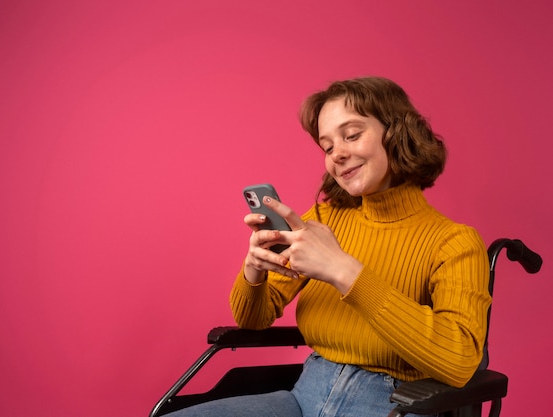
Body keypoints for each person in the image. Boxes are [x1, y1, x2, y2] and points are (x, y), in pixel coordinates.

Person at [165, 76, 491, 417]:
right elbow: (253, 319)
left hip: (393, 405)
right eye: (328, 146)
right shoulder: (323, 220)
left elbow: (459, 362)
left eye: (351, 135)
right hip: (305, 396)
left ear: (396, 135)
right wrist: (254, 272)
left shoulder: (454, 242)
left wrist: (346, 272)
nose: (338, 154)